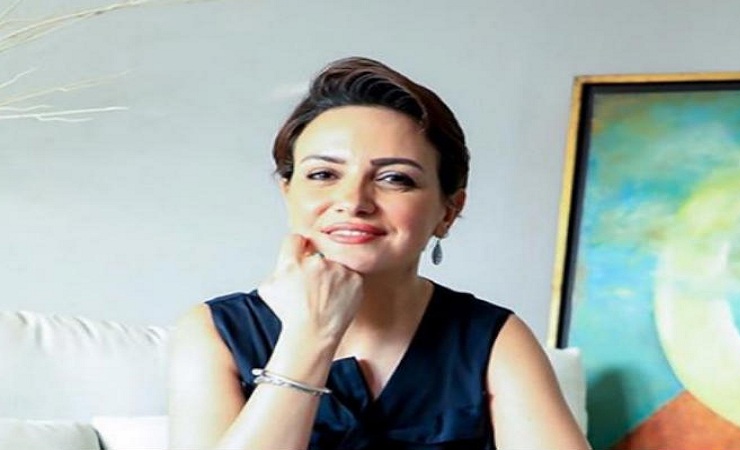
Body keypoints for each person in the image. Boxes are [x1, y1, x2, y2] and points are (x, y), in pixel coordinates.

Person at [169, 56, 589, 450]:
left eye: (394, 178)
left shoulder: (492, 338)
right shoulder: (214, 332)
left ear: (448, 210)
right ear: (288, 193)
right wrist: (310, 336)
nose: (353, 201)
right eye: (323, 174)